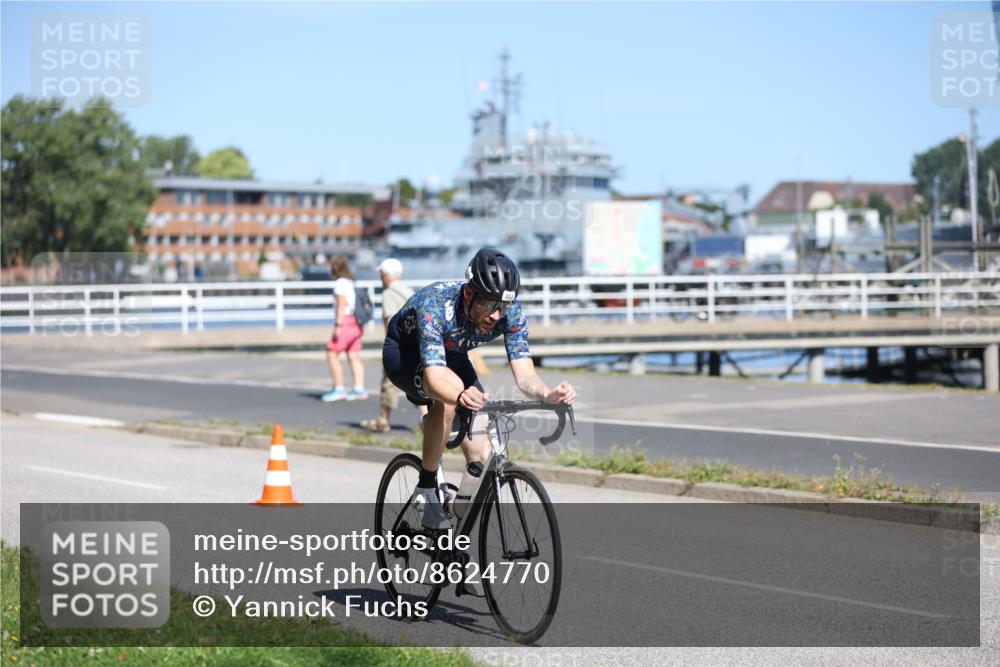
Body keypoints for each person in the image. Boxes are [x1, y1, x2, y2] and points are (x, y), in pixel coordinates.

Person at [382, 247, 576, 529]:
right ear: (470, 294)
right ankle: (426, 489)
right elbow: (436, 378)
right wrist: (459, 396)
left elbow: (524, 375)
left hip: (454, 354)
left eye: (503, 307)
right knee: (448, 400)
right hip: (405, 353)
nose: (497, 315)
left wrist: (547, 394)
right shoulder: (436, 305)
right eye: (489, 305)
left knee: (482, 456)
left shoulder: (511, 314)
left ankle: (455, 529)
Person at [360, 258, 427, 432]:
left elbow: (391, 321)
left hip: (400, 345)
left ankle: (383, 419)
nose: (380, 277)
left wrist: (390, 346)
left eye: (381, 273)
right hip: (418, 344)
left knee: (389, 380)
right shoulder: (408, 291)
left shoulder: (389, 293)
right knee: (417, 382)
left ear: (386, 275)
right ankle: (426, 419)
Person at [322, 255, 368, 402]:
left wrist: (338, 325)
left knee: (331, 353)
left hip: (346, 322)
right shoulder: (351, 282)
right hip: (357, 322)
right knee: (353, 355)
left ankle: (339, 388)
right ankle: (359, 389)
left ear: (335, 268)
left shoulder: (340, 283)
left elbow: (341, 304)